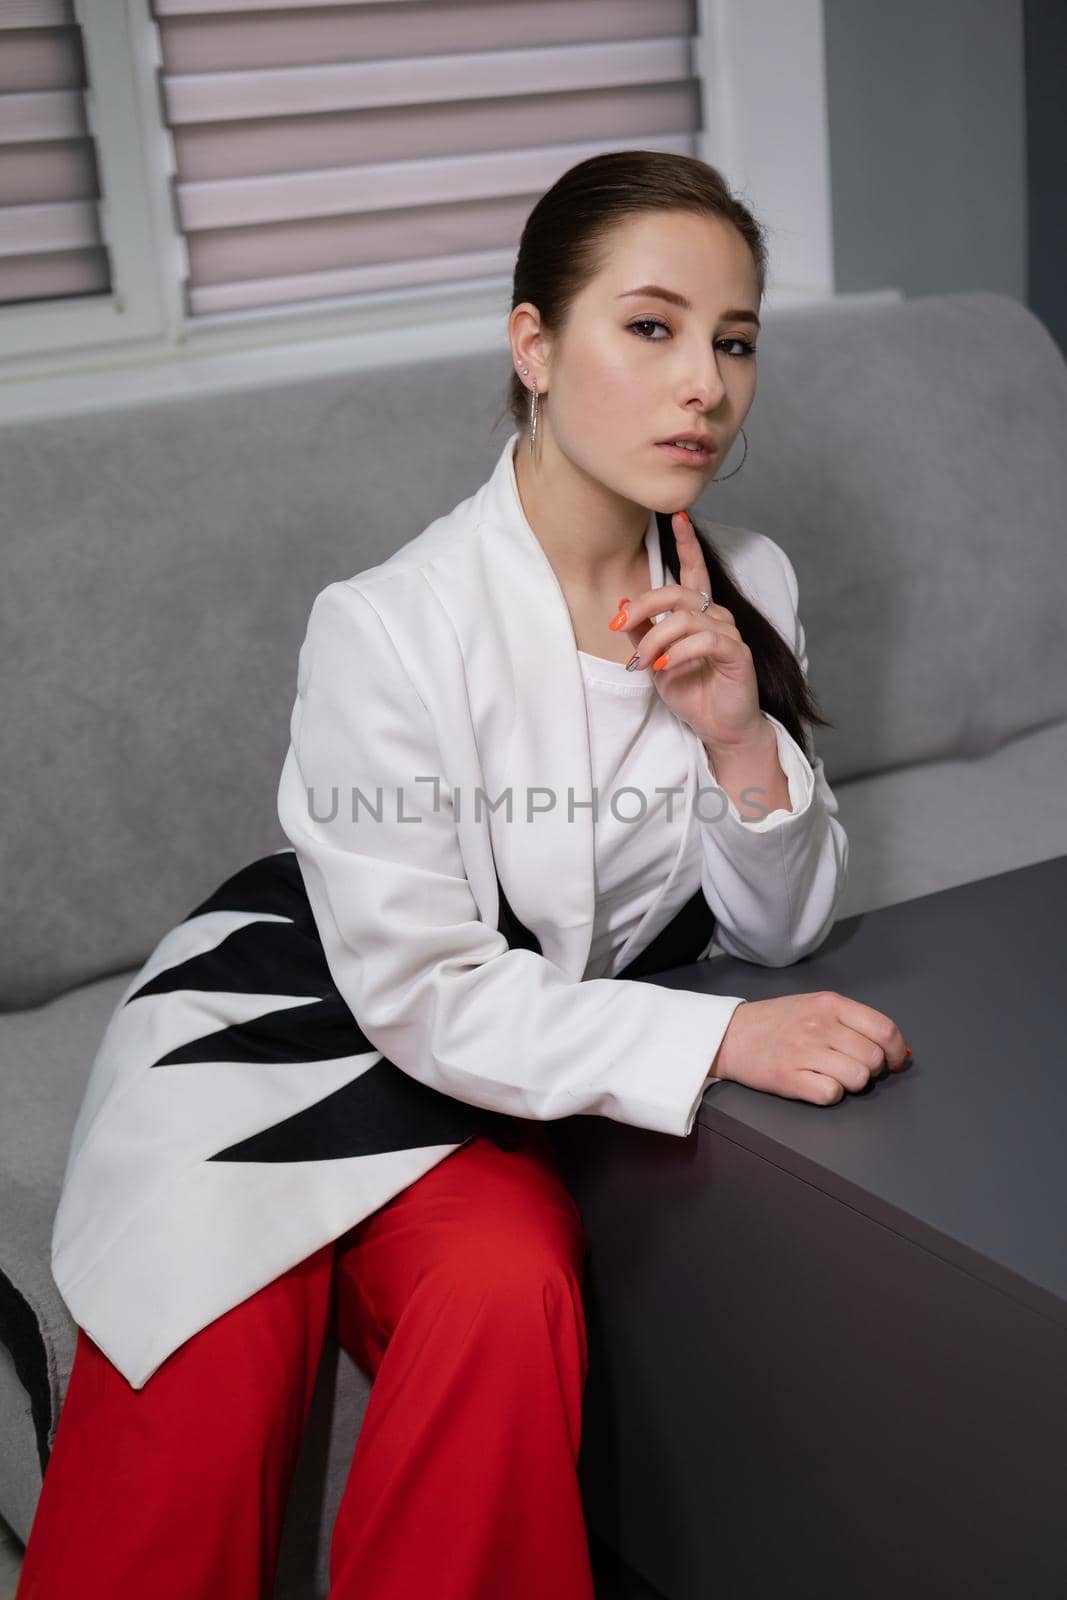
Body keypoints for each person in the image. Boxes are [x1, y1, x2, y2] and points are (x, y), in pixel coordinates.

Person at [17, 150, 909, 1600]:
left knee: (505, 1291)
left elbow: (787, 921)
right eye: (652, 326)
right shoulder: (388, 624)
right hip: (296, 1019)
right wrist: (722, 1038)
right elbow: (426, 986)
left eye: (735, 341)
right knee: (206, 1348)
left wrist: (742, 736)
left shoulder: (752, 581)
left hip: (502, 1047)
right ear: (534, 346)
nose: (706, 384)